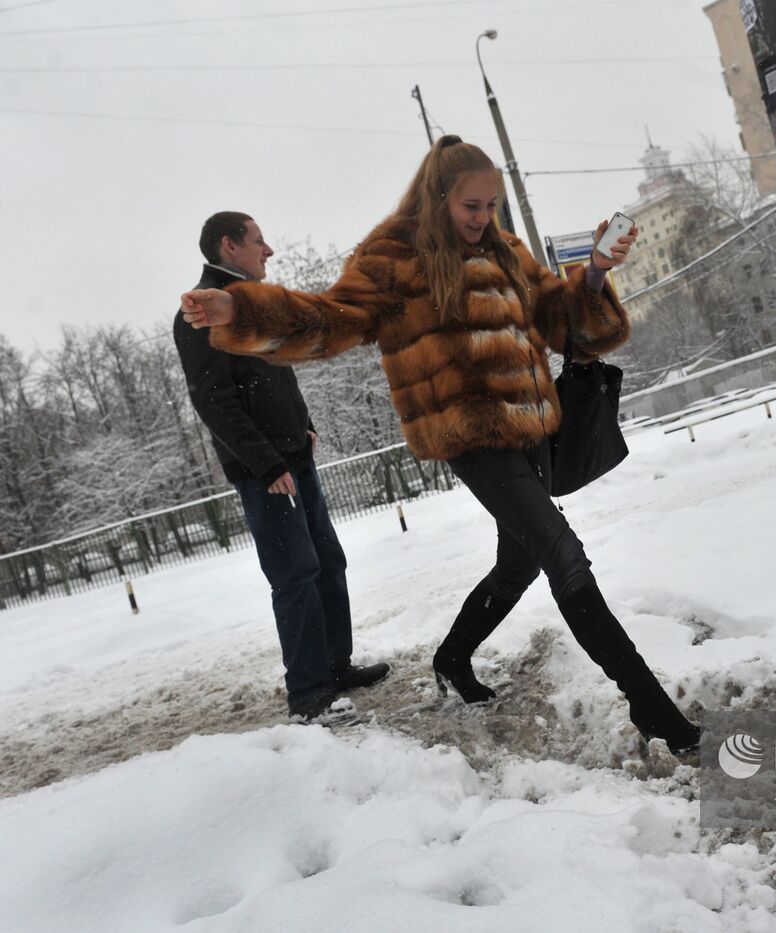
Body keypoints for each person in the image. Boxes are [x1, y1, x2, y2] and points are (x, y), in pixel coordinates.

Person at [179, 139, 702, 753]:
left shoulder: (505, 251)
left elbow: (563, 324)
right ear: (439, 196)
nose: (483, 218)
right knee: (564, 554)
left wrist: (593, 273)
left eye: (491, 205)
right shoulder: (394, 257)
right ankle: (652, 708)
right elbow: (330, 318)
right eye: (470, 206)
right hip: (468, 433)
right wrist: (241, 310)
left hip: (533, 426)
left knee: (520, 562)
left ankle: (452, 658)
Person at [174, 212, 389, 725]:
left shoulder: (255, 303)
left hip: (296, 458)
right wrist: (267, 464)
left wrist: (305, 425)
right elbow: (214, 400)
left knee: (328, 562)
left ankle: (335, 668)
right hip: (267, 473)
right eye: (258, 241)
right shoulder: (202, 311)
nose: (268, 250)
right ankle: (309, 696)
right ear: (228, 246)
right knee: (295, 575)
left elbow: (274, 374)